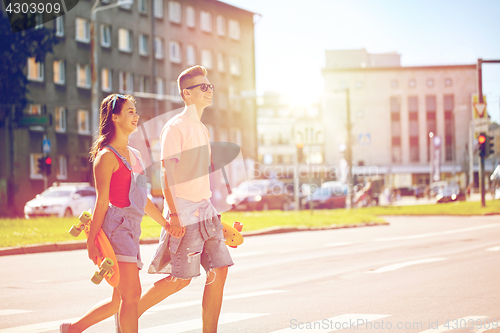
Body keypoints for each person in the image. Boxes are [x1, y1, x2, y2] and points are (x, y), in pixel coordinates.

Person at [60, 94, 172, 333]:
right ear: (115, 117)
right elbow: (101, 203)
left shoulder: (137, 155)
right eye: (130, 111)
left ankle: (72, 329)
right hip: (116, 228)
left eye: (136, 111)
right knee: (132, 296)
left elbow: (143, 199)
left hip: (132, 229)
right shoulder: (106, 157)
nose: (136, 116)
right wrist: (91, 242)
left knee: (118, 300)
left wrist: (166, 223)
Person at [139, 65, 234, 332]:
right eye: (203, 87)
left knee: (220, 269)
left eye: (210, 86)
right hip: (183, 212)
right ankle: (128, 316)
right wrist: (175, 215)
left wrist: (215, 211)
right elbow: (166, 174)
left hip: (205, 211)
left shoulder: (202, 128)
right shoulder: (175, 128)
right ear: (186, 94)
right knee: (180, 280)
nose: (209, 91)